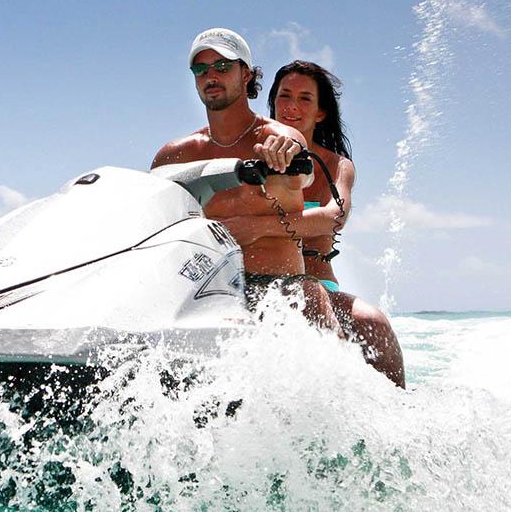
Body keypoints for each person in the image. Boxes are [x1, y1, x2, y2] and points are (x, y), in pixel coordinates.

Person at [219, 61, 405, 387]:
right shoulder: (247, 159)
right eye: (285, 96)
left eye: (305, 98)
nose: (292, 106)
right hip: (255, 285)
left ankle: (399, 409)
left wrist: (259, 227)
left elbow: (335, 216)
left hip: (320, 285)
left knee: (373, 323)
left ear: (320, 113)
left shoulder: (337, 165)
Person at [151, 29, 340, 332]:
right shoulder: (175, 155)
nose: (211, 76)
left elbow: (303, 170)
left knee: (311, 296)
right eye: (201, 69)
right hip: (205, 296)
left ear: (246, 75)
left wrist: (289, 155)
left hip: (281, 289)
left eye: (223, 66)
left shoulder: (278, 138)